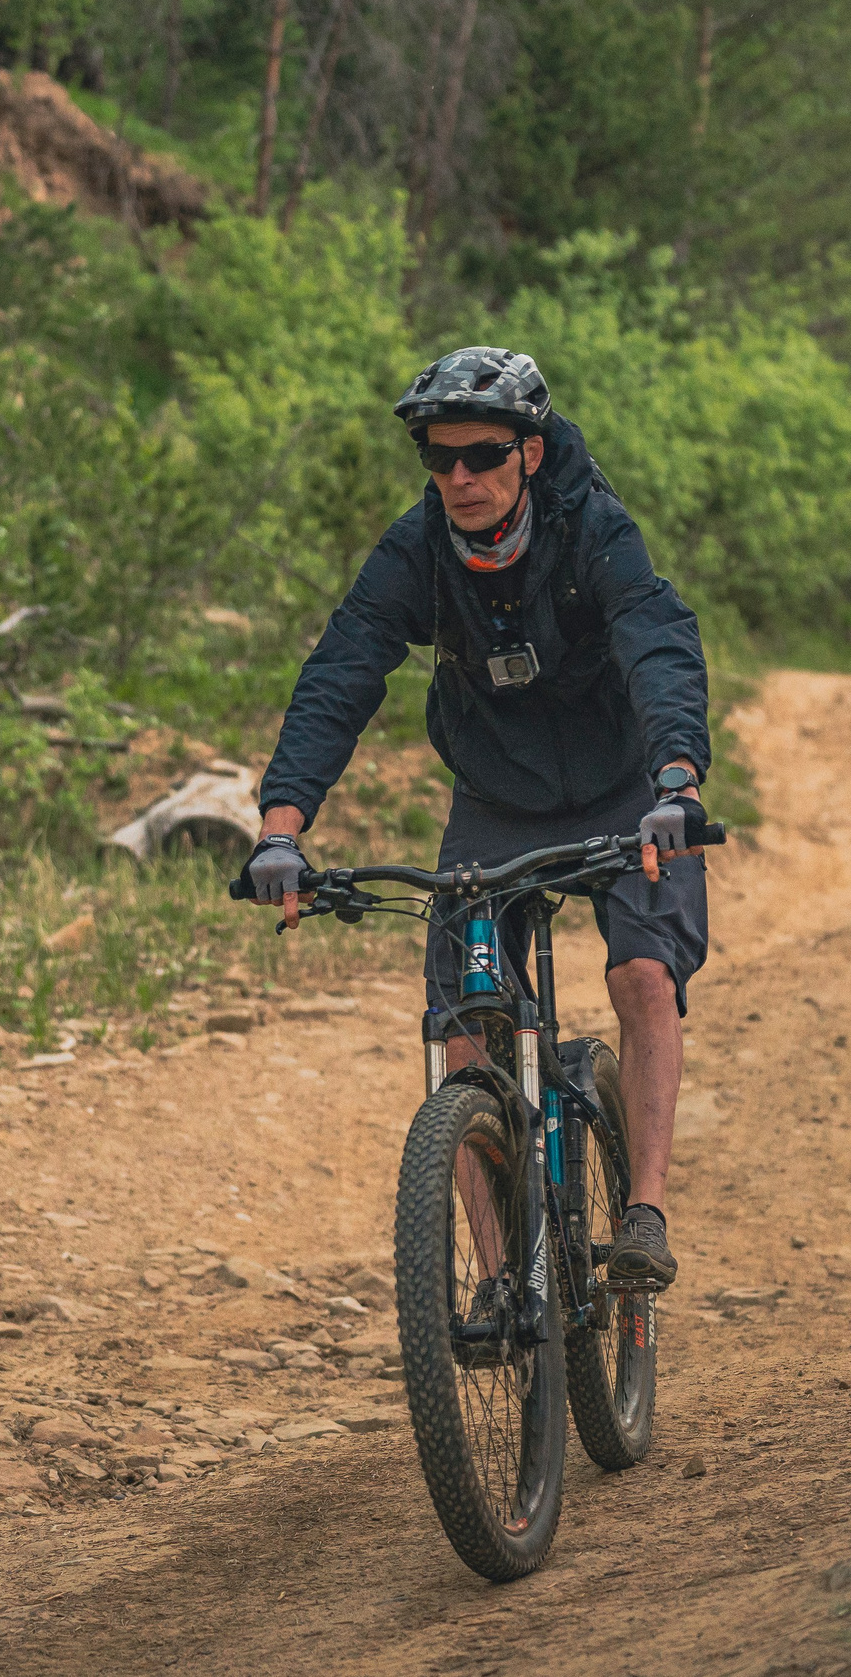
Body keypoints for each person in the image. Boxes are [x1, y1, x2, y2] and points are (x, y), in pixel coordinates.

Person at [245, 346, 711, 1289]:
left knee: (643, 976)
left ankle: (646, 1215)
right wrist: (281, 827)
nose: (459, 476)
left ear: (530, 453)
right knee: (461, 1029)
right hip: (498, 798)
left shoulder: (593, 529)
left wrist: (678, 778)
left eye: (483, 454)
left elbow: (655, 639)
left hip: (631, 792)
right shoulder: (416, 551)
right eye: (438, 457)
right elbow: (343, 671)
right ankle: (505, 1279)